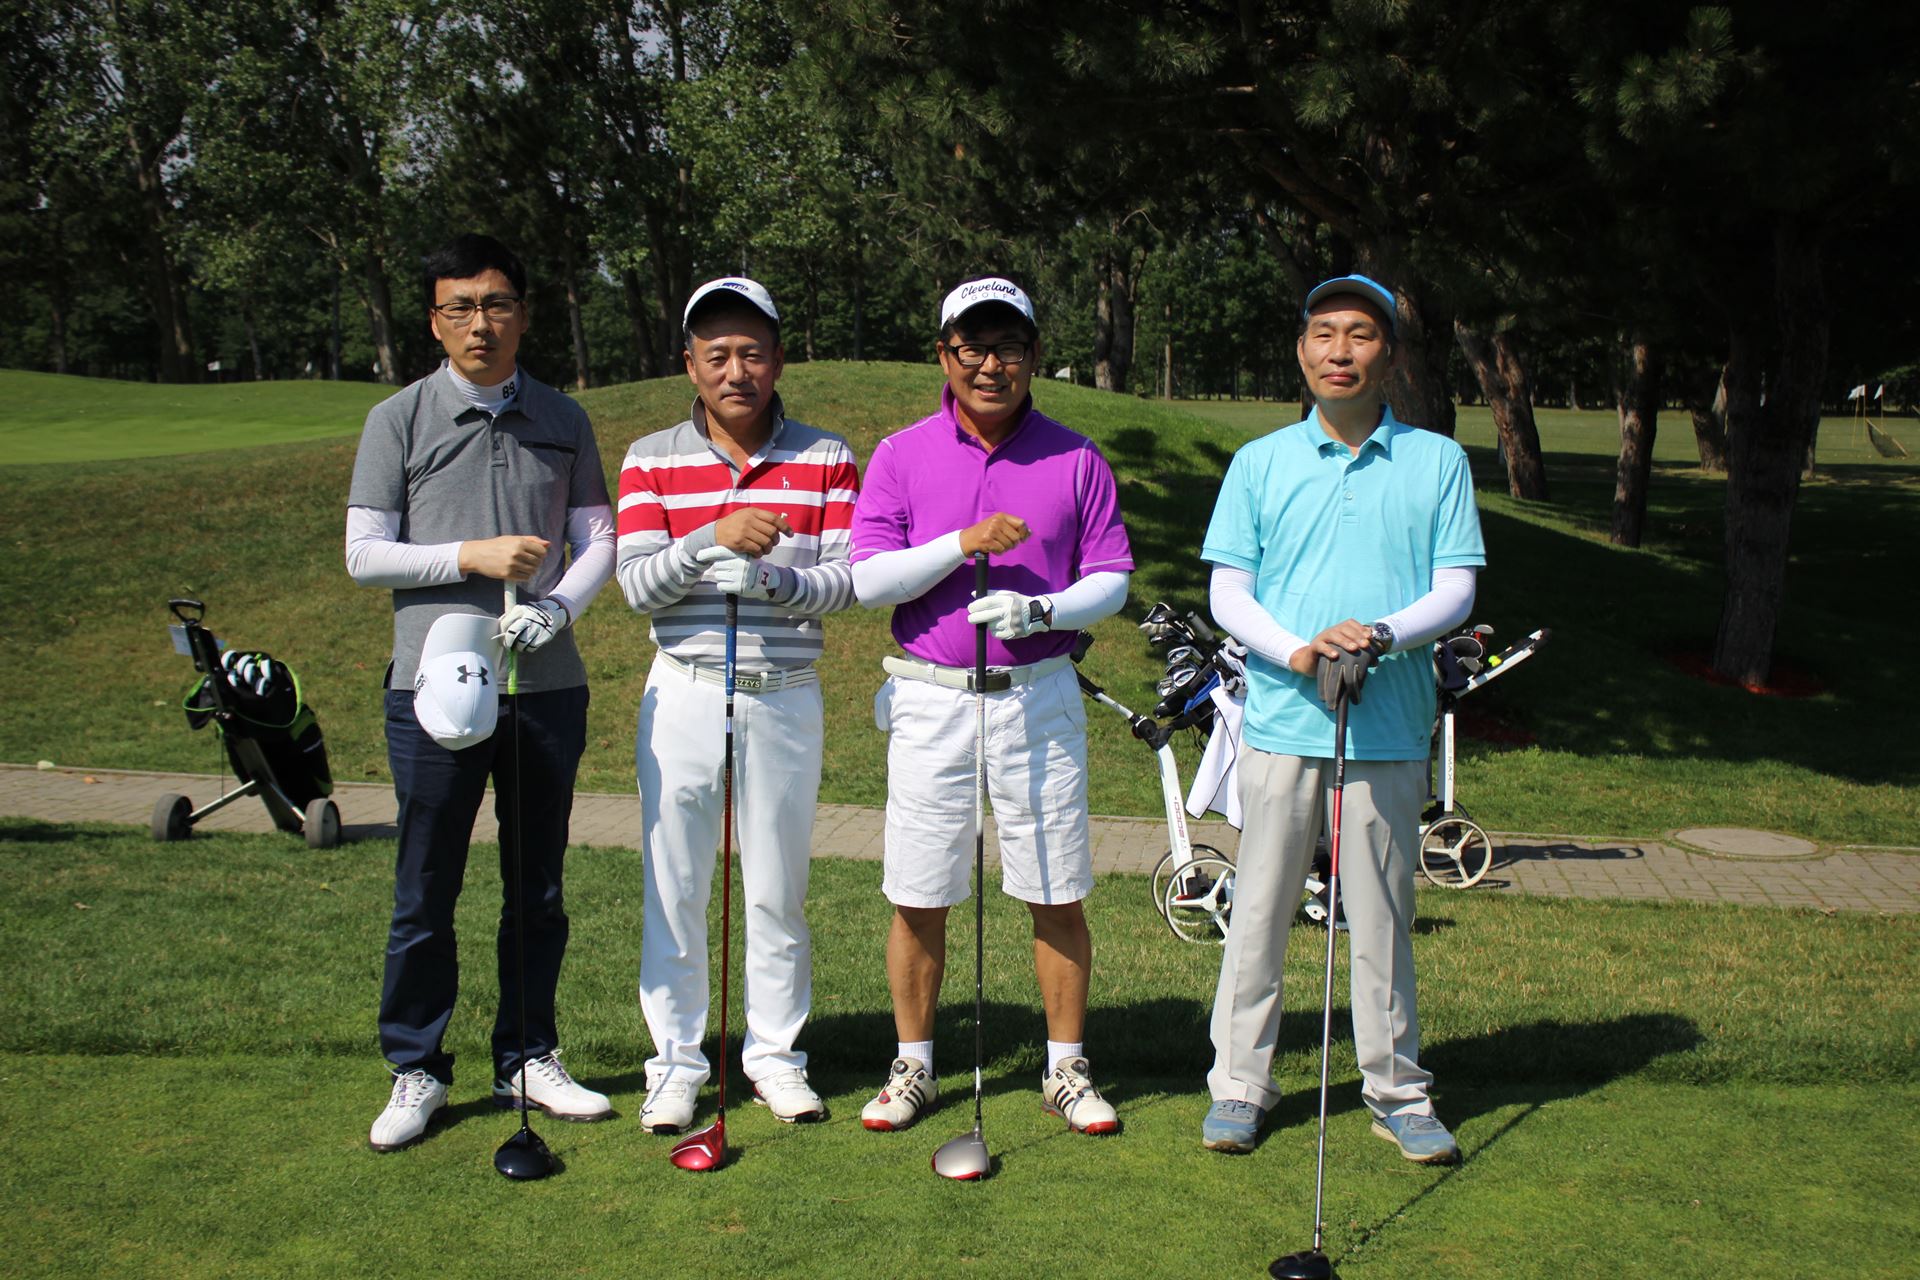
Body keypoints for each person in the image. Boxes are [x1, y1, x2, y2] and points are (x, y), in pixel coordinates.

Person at [1197, 274, 1485, 1162]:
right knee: (1259, 910)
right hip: (1283, 720)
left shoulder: (1438, 461)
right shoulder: (1260, 462)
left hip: (1388, 720)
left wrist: (1382, 635)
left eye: (1360, 334)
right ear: (1301, 351)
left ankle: (1398, 1091)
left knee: (1382, 916)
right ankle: (1240, 1084)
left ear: (1388, 355)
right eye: (1324, 334)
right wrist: (1298, 651)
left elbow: (1456, 588)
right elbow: (1229, 592)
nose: (1340, 351)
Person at [346, 233, 616, 1151]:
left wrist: (559, 608)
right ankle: (416, 1067)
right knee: (427, 886)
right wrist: (470, 555)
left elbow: (600, 539)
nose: (480, 323)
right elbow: (364, 554)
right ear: (435, 321)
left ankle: (528, 1055)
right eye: (459, 307)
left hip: (544, 683)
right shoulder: (398, 419)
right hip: (433, 685)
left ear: (523, 315)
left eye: (496, 304)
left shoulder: (562, 417)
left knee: (536, 885)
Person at [849, 276, 1134, 1136]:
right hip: (931, 697)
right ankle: (914, 1065)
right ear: (944, 355)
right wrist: (960, 544)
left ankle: (1065, 1068)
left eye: (1008, 345)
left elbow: (1111, 580)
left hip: (1036, 697)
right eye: (971, 346)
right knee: (919, 889)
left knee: (1056, 886)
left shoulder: (1076, 458)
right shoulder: (900, 454)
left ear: (1034, 355)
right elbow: (870, 581)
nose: (989, 364)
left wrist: (1042, 611)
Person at [615, 278, 859, 1132]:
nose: (736, 371)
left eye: (752, 353)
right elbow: (636, 586)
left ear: (778, 359)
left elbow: (846, 582)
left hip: (783, 697)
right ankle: (676, 1065)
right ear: (689, 364)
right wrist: (707, 539)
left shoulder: (826, 455)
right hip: (683, 690)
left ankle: (775, 1059)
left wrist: (774, 581)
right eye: (716, 354)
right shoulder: (650, 458)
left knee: (777, 891)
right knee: (675, 888)